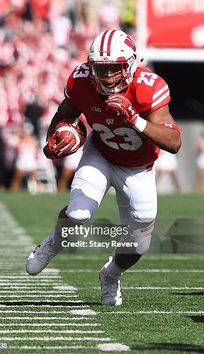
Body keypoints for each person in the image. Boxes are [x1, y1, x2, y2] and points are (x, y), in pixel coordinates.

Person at [26, 29, 181, 305]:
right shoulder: (82, 80)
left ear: (131, 65)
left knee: (139, 244)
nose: (107, 75)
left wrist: (135, 119)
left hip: (139, 166)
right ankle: (51, 244)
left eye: (114, 68)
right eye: (100, 68)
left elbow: (174, 141)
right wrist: (54, 139)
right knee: (79, 213)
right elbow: (65, 114)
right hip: (101, 153)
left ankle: (111, 274)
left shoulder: (149, 87)